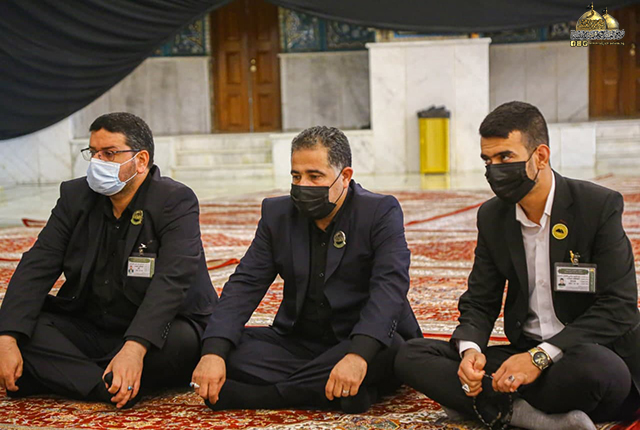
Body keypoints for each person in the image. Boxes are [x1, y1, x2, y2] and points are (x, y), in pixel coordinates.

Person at [395, 101, 640, 429]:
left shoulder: (597, 206)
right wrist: (471, 351)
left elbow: (619, 306)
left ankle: (483, 402)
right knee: (411, 355)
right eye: (488, 161)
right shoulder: (493, 216)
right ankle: (531, 417)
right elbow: (480, 300)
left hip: (586, 352)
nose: (494, 170)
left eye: (505, 157)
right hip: (523, 353)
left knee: (597, 370)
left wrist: (540, 358)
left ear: (541, 156)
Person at [191, 126, 422, 413]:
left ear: (345, 177)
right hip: (299, 342)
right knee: (223, 349)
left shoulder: (379, 212)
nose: (303, 186)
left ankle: (267, 396)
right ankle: (337, 392)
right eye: (296, 176)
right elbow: (245, 284)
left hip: (361, 338)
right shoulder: (278, 215)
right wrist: (213, 352)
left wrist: (357, 356)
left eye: (315, 176)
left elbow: (390, 287)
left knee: (391, 350)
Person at [0, 112, 217, 409]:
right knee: (18, 325)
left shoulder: (173, 200)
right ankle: (106, 385)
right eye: (93, 153)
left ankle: (63, 375)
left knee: (182, 343)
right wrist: (7, 338)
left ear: (140, 160)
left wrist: (135, 347)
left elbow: (172, 281)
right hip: (93, 324)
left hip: (161, 328)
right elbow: (37, 264)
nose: (97, 161)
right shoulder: (75, 197)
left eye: (109, 153)